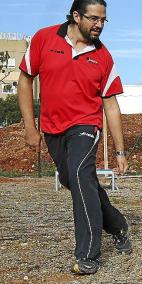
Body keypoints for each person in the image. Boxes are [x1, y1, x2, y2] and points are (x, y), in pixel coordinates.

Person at [18, 0, 132, 275]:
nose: (99, 25)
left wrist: (120, 151)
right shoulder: (45, 38)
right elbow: (25, 79)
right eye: (94, 19)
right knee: (77, 182)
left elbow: (111, 105)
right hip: (52, 128)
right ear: (76, 15)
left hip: (85, 126)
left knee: (80, 175)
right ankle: (117, 224)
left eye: (103, 20)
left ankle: (88, 255)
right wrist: (30, 128)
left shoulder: (103, 56)